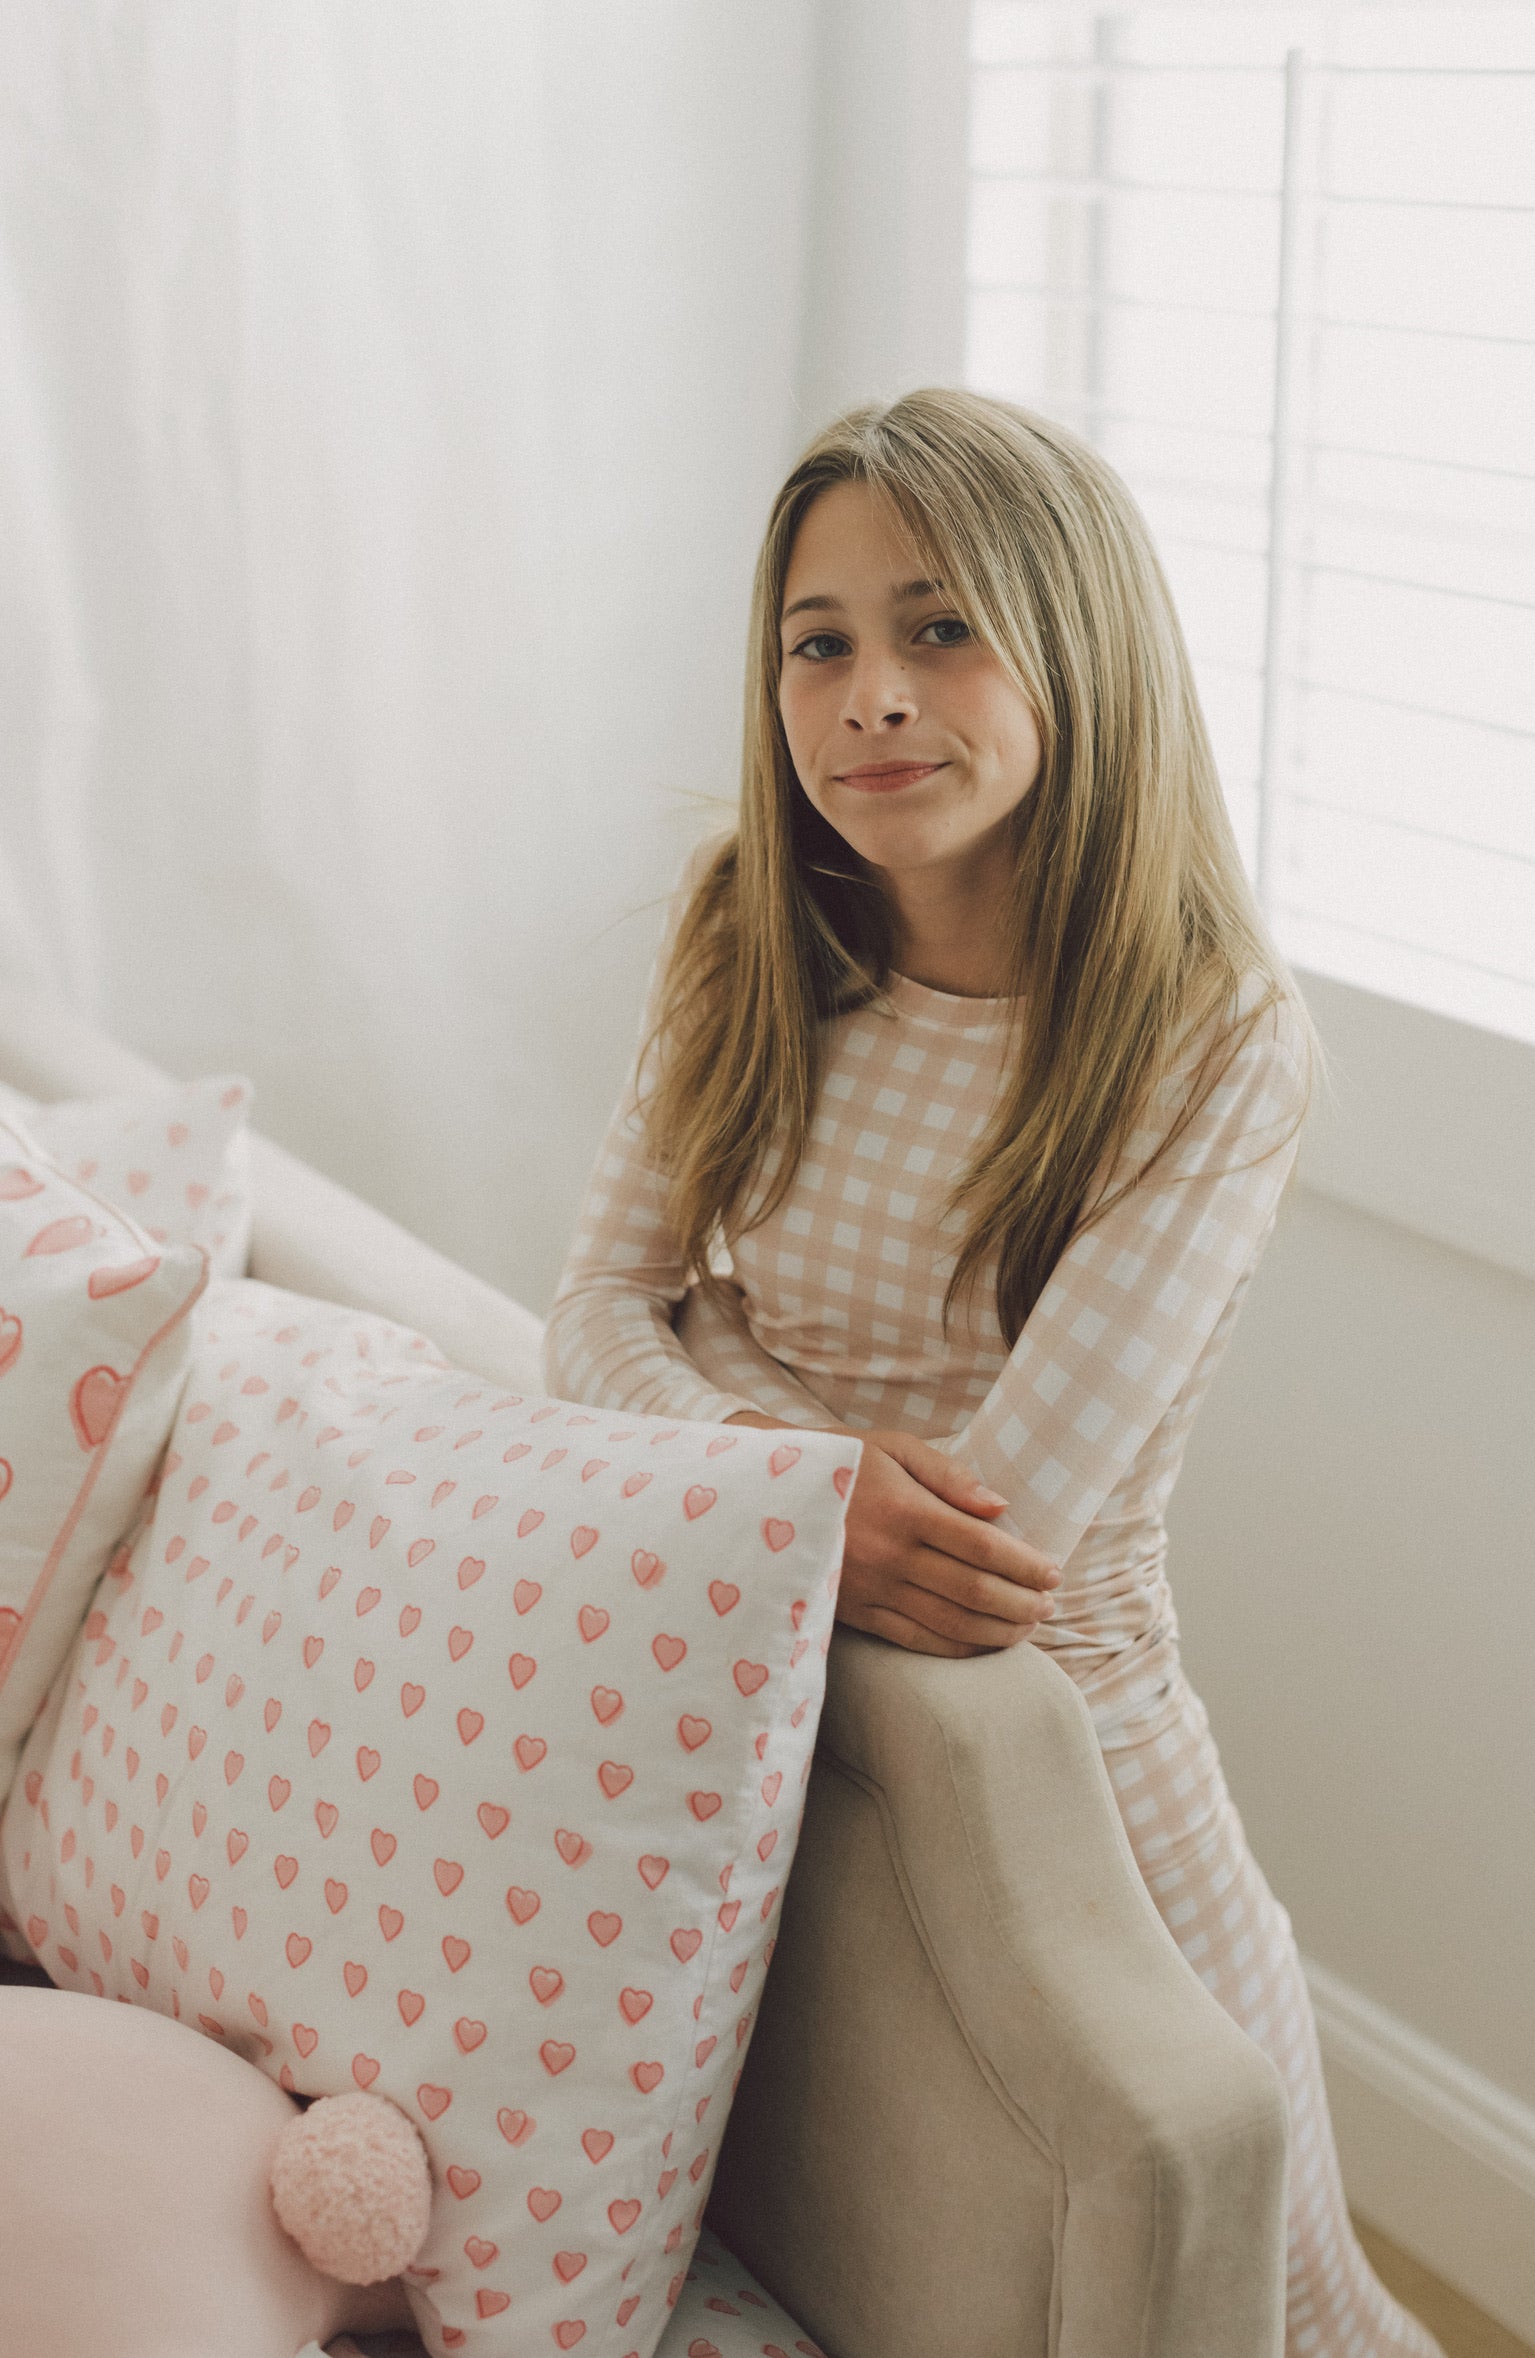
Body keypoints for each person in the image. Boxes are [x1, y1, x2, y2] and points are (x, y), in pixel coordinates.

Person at [542, 388, 1443, 2358]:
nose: (872, 693)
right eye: (821, 642)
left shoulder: (1209, 1039)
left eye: (941, 627)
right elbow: (591, 1313)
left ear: (1075, 642)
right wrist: (811, 1480)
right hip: (753, 1698)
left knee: (1292, 2306)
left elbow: (987, 1544)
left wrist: (717, 1379)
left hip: (1058, 1771)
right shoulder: (744, 928)